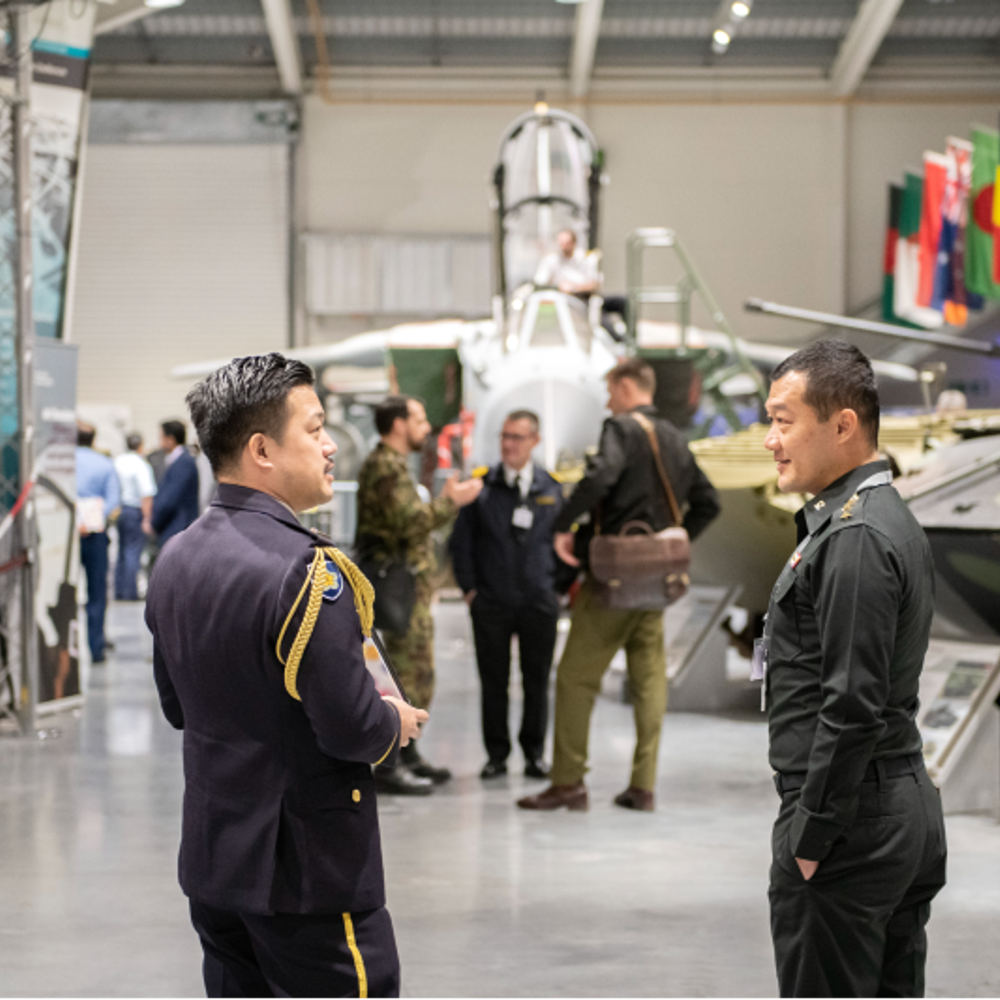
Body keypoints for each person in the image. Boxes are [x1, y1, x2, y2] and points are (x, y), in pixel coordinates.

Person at [145, 353, 426, 999]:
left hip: (217, 858)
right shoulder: (306, 573)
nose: (330, 446)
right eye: (315, 428)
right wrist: (393, 722)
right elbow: (352, 729)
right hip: (306, 872)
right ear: (261, 450)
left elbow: (177, 706)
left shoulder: (177, 557)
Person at [761, 340, 947, 998]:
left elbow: (851, 707)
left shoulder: (856, 538)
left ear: (842, 425)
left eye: (784, 421)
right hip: (884, 808)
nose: (770, 440)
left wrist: (811, 836)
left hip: (852, 824)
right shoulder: (869, 519)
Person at [518, 358, 720, 813]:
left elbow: (603, 474)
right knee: (649, 681)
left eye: (611, 391)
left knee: (574, 677)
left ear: (627, 387)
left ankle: (568, 782)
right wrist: (674, 540)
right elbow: (709, 501)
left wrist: (563, 524)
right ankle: (643, 786)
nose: (608, 402)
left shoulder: (620, 429)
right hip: (656, 583)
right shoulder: (675, 437)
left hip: (613, 579)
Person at [355, 395, 482, 794]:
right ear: (399, 424)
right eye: (420, 420)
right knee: (405, 676)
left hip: (410, 588)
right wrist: (451, 503)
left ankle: (408, 753)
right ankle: (388, 763)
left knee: (418, 674)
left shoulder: (394, 465)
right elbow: (408, 523)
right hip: (398, 589)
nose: (426, 428)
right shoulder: (384, 467)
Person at [449, 410, 565, 780]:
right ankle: (496, 755)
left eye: (517, 437)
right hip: (492, 602)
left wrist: (556, 588)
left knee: (537, 681)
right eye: (505, 436)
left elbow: (566, 544)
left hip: (538, 601)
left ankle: (534, 754)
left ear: (535, 441)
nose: (508, 444)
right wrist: (470, 590)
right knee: (493, 682)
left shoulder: (552, 489)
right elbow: (461, 543)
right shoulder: (483, 488)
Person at [75, 422, 121, 664]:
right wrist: (91, 521)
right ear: (93, 439)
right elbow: (113, 500)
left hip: (64, 536)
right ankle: (96, 647)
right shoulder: (104, 464)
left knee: (60, 592)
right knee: (96, 592)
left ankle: (63, 648)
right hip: (95, 535)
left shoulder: (61, 464)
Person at [113, 432, 156, 601]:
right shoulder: (141, 465)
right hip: (135, 510)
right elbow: (146, 494)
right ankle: (130, 592)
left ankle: (119, 589)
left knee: (121, 551)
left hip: (120, 510)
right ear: (140, 445)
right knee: (133, 551)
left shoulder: (118, 462)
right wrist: (147, 518)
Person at [151, 419, 200, 545]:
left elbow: (169, 499)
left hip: (177, 527)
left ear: (170, 439)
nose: (160, 442)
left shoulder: (183, 462)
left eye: (161, 437)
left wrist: (154, 522)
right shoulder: (180, 460)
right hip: (175, 526)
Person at [534, 229, 601, 297]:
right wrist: (558, 288)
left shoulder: (586, 259)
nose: (564, 246)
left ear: (574, 243)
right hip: (557, 298)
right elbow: (539, 283)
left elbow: (594, 284)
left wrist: (574, 288)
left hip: (581, 298)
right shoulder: (550, 260)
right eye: (561, 243)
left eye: (567, 243)